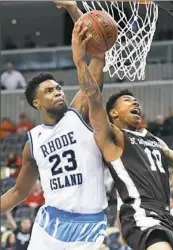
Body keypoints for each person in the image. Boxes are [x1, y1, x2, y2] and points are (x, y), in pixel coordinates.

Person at [73, 19, 173, 250]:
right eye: (127, 100)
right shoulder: (113, 136)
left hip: (166, 216)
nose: (134, 102)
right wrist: (81, 61)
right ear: (112, 113)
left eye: (135, 100)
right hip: (140, 213)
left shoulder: (154, 141)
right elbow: (93, 96)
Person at [1, 2, 107, 250]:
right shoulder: (33, 141)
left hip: (90, 224)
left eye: (58, 88)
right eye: (49, 91)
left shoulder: (78, 113)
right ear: (36, 102)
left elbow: (99, 56)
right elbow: (18, 192)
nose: (58, 92)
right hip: (51, 222)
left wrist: (73, 10)